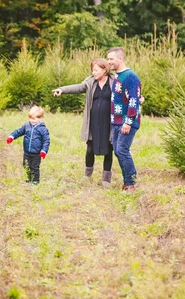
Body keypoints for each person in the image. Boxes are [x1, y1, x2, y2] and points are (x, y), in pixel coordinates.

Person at [52, 58, 115, 188]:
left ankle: (106, 179)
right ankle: (87, 175)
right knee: (90, 148)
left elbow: (128, 92)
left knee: (109, 148)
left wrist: (139, 98)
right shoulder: (90, 82)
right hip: (93, 121)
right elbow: (78, 87)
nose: (93, 72)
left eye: (96, 70)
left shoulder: (115, 82)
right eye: (92, 70)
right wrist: (62, 89)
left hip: (108, 123)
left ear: (104, 70)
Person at [106, 47, 142, 193]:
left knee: (122, 150)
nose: (109, 62)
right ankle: (126, 181)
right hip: (116, 120)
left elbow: (134, 99)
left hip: (126, 122)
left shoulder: (130, 76)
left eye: (111, 59)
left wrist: (128, 121)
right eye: (108, 59)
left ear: (120, 59)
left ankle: (131, 183)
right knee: (117, 151)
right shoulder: (117, 76)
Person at [6, 106, 50, 185]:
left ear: (40, 118)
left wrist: (44, 151)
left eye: (34, 119)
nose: (32, 121)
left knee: (34, 167)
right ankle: (29, 177)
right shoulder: (27, 125)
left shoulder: (43, 129)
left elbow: (46, 141)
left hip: (37, 153)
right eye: (30, 118)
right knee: (26, 165)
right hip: (27, 151)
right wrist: (12, 136)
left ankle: (35, 180)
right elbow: (19, 131)